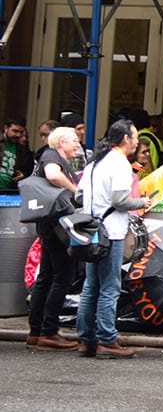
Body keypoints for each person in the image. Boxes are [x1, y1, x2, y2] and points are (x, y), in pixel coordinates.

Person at [76, 118, 154, 358]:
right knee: (110, 286)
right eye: (134, 136)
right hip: (112, 232)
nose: (136, 141)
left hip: (91, 231)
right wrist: (143, 202)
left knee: (91, 286)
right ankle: (107, 340)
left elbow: (79, 195)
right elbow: (120, 200)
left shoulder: (94, 163)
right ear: (124, 140)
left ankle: (86, 339)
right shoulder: (119, 163)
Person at [26, 125, 82, 350]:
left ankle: (36, 332)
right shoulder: (50, 155)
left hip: (49, 227)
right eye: (74, 140)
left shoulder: (56, 157)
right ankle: (48, 332)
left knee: (46, 278)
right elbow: (51, 174)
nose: (78, 143)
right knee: (62, 278)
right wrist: (74, 189)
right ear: (62, 143)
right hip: (55, 228)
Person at [1, 118, 35, 188]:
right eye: (15, 131)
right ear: (6, 128)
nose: (18, 135)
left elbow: (27, 170)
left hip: (9, 191)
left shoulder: (22, 149)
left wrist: (23, 175)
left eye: (21, 132)